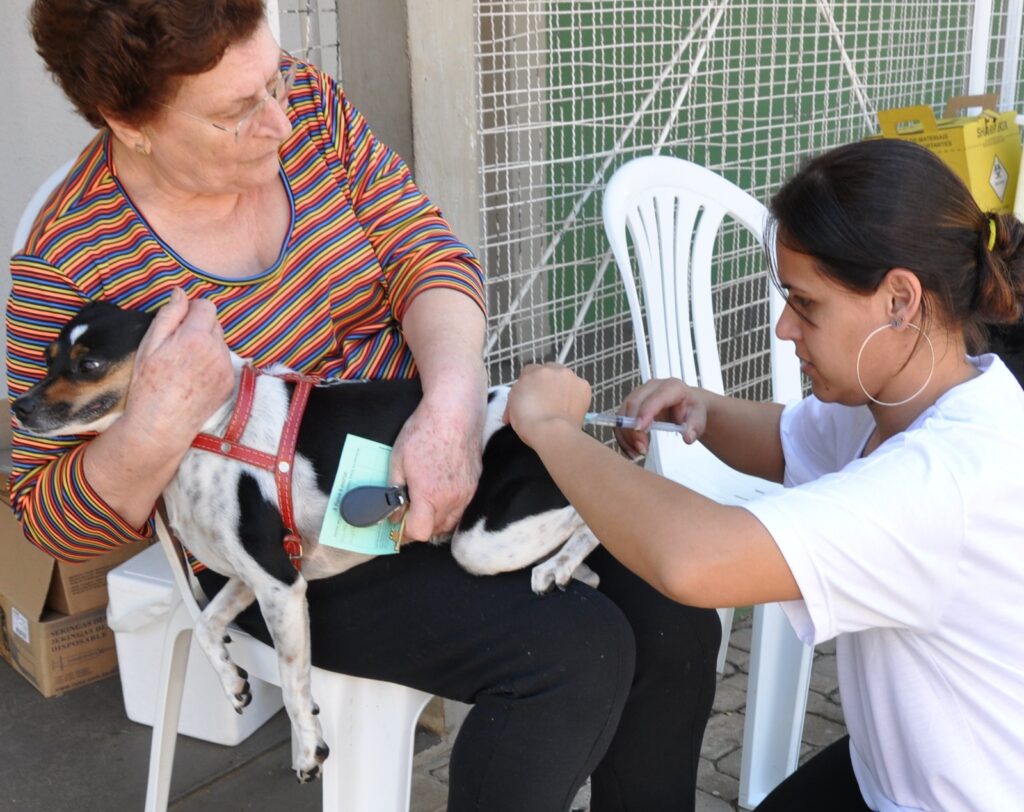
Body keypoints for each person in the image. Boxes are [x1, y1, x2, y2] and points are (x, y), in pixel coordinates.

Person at [8, 1, 720, 809]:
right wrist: (161, 416)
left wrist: (450, 410)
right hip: (293, 539)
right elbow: (50, 518)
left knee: (674, 614)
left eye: (271, 81)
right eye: (237, 110)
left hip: (431, 446)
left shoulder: (308, 106)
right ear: (127, 121)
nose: (279, 120)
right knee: (571, 658)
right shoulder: (69, 256)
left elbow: (426, 252)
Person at [506, 139, 1024, 812]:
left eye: (806, 305)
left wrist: (549, 431)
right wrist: (703, 407)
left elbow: (695, 560)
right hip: (890, 775)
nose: (784, 328)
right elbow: (785, 441)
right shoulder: (916, 402)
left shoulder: (943, 478)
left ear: (899, 300)